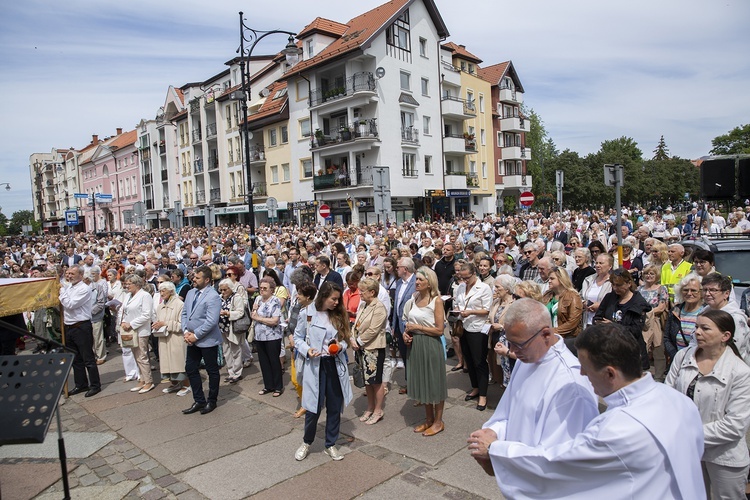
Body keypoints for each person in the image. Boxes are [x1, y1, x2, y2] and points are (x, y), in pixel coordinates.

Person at [470, 322, 705, 499]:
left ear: (610, 373)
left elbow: (554, 463)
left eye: (586, 368)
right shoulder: (679, 401)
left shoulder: (618, 427)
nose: (581, 374)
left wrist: (495, 449)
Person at [470, 298, 598, 475]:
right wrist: (492, 432)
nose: (513, 350)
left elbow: (559, 460)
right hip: (517, 476)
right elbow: (509, 413)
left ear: (546, 334)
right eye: (510, 342)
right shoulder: (528, 357)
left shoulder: (570, 385)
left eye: (519, 344)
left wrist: (496, 450)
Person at [666, 309, 750, 499]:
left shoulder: (740, 372)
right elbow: (668, 397)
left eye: (705, 328)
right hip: (688, 452)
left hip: (724, 457)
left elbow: (735, 425)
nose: (697, 332)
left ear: (725, 336)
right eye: (696, 327)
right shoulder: (683, 357)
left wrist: (688, 434)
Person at [294, 282, 354, 462]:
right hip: (316, 364)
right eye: (333, 299)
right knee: (313, 406)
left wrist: (339, 347)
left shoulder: (338, 314)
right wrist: (307, 349)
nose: (336, 302)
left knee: (335, 406)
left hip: (334, 364)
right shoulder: (307, 314)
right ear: (324, 297)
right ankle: (307, 442)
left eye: (338, 299)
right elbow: (297, 338)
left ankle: (330, 444)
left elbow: (345, 339)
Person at [402, 267, 448, 435]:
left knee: (435, 382)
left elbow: (439, 330)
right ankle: (428, 419)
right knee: (423, 381)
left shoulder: (436, 301)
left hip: (431, 344)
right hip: (416, 344)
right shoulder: (414, 298)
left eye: (421, 279)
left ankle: (438, 421)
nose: (417, 282)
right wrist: (406, 334)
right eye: (416, 279)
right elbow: (408, 322)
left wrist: (417, 327)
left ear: (430, 282)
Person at [181, 266, 223, 415]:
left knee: (212, 371)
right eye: (194, 277)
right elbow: (185, 313)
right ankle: (199, 400)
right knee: (190, 368)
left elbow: (211, 321)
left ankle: (212, 400)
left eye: (197, 278)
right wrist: (186, 331)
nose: (194, 280)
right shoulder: (191, 293)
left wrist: (196, 335)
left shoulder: (213, 296)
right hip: (191, 338)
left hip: (207, 340)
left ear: (206, 280)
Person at [454, 261, 493, 411]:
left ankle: (483, 394)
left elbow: (486, 310)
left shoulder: (484, 288)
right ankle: (475, 387)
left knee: (479, 361)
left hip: (477, 327)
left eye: (466, 278)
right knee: (469, 360)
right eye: (462, 278)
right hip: (464, 326)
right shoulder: (461, 287)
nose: (464, 280)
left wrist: (471, 312)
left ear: (474, 274)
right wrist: (458, 310)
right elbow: (458, 303)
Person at [594, 269, 651, 370]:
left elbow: (635, 330)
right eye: (613, 285)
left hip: (630, 350)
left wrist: (614, 326)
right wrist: (599, 323)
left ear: (629, 283)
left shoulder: (638, 303)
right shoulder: (609, 298)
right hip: (609, 349)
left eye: (619, 285)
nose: (615, 288)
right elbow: (598, 317)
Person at [59, 265, 101, 397]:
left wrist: (61, 293)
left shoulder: (84, 288)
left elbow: (70, 304)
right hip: (69, 326)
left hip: (81, 326)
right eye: (68, 273)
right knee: (76, 359)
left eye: (72, 274)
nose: (69, 276)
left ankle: (95, 385)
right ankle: (81, 384)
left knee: (87, 358)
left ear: (81, 275)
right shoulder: (69, 287)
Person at [353, 277, 388, 425]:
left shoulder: (379, 307)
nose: (360, 293)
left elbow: (374, 329)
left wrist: (359, 341)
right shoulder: (364, 305)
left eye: (362, 291)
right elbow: (356, 323)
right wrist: (352, 337)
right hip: (361, 348)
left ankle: (378, 410)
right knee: (367, 380)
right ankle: (370, 407)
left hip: (373, 348)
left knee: (375, 380)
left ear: (372, 292)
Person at [702, 272, 750, 364]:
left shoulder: (736, 318)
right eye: (705, 290)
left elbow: (734, 350)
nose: (707, 294)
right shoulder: (703, 312)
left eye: (713, 290)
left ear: (726, 294)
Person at [151, 281, 189, 395]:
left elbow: (182, 324)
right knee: (167, 363)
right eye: (160, 291)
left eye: (164, 291)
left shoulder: (180, 304)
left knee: (179, 363)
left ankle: (186, 385)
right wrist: (156, 325)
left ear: (171, 291)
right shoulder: (160, 307)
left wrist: (165, 324)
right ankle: (175, 383)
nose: (161, 293)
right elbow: (159, 320)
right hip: (163, 338)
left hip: (176, 338)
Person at [120, 275, 156, 394]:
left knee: (142, 356)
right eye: (126, 283)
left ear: (137, 284)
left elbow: (147, 315)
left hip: (140, 330)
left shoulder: (145, 296)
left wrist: (131, 323)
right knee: (135, 355)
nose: (127, 286)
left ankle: (149, 381)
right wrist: (124, 322)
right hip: (129, 330)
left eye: (129, 283)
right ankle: (142, 378)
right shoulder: (128, 296)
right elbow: (124, 310)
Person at [251, 276, 284, 396]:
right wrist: (255, 312)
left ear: (271, 290)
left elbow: (274, 320)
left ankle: (278, 387)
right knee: (264, 361)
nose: (262, 290)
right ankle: (268, 385)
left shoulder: (275, 301)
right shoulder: (258, 299)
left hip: (272, 336)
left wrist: (259, 318)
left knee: (274, 361)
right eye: (260, 288)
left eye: (265, 288)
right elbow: (253, 315)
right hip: (259, 336)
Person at [637, 264, 669, 381]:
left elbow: (661, 307)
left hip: (656, 321)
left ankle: (659, 377)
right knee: (642, 348)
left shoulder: (662, 289)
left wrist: (647, 313)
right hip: (642, 322)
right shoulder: (639, 289)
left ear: (657, 275)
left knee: (658, 349)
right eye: (646, 273)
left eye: (652, 273)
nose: (649, 276)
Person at [664, 273, 705, 363]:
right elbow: (667, 338)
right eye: (685, 290)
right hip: (677, 362)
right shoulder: (675, 311)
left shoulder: (706, 313)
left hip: (699, 362)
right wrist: (676, 357)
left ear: (701, 292)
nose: (689, 293)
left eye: (693, 290)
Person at [217, 279, 247, 384]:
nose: (223, 292)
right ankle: (231, 372)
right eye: (221, 290)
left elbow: (240, 312)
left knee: (236, 350)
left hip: (232, 327)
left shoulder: (236, 297)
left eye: (225, 289)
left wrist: (228, 313)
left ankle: (237, 373)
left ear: (230, 288)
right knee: (226, 351)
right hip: (222, 327)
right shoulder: (219, 298)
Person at [488, 274, 516, 387]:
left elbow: (516, 324)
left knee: (508, 372)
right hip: (494, 340)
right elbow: (489, 318)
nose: (495, 289)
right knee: (498, 369)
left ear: (507, 288)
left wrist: (501, 327)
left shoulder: (514, 303)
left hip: (508, 342)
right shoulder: (496, 302)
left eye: (498, 287)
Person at [391, 257, 416, 381]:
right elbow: (397, 305)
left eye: (398, 267)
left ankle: (414, 383)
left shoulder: (416, 283)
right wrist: (394, 326)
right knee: (404, 355)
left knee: (413, 357)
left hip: (411, 327)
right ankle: (409, 382)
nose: (396, 269)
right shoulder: (399, 282)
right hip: (399, 327)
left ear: (405, 269)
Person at [580, 253, 613, 326]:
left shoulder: (613, 282)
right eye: (596, 263)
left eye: (601, 263)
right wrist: (584, 303)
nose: (597, 265)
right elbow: (579, 296)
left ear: (610, 266)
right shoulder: (588, 280)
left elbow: (615, 302)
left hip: (603, 324)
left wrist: (601, 306)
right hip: (586, 322)